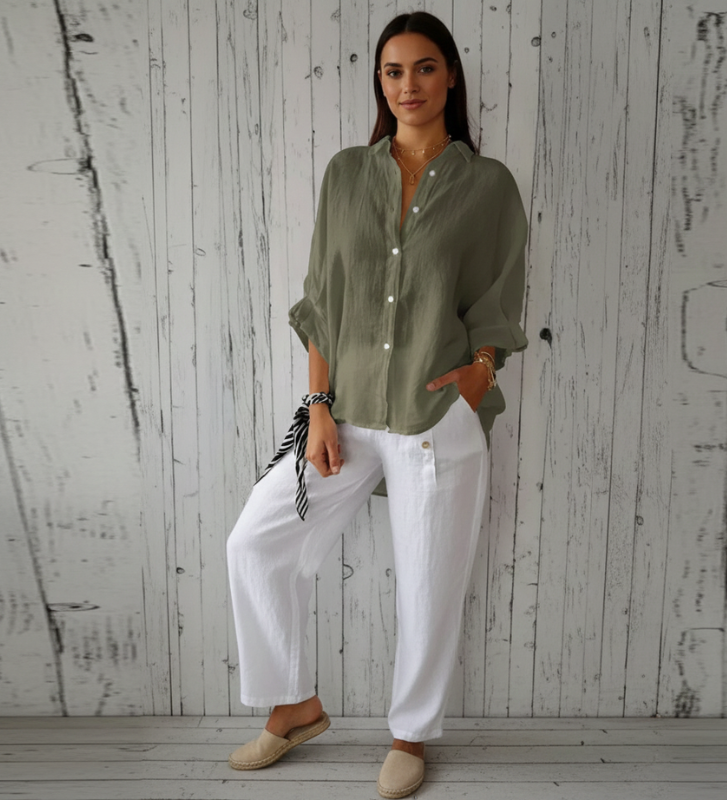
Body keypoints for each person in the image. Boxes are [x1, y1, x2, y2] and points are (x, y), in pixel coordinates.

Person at [225, 10, 528, 799]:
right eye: (393, 72)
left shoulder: (487, 185)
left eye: (424, 68)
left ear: (451, 76)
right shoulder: (346, 174)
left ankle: (409, 736)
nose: (408, 85)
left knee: (428, 587)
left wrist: (478, 375)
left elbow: (498, 299)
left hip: (437, 421)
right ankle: (292, 705)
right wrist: (319, 406)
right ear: (380, 84)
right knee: (255, 541)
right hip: (348, 414)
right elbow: (322, 301)